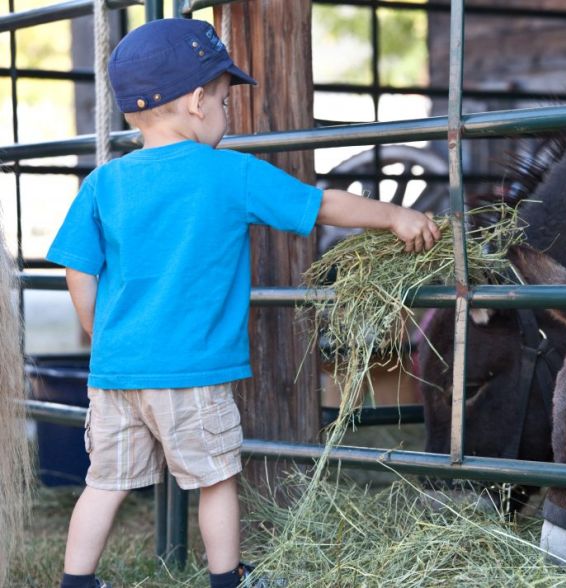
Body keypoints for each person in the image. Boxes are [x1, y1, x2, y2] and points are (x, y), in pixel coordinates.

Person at [47, 18, 441, 588]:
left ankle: (76, 581)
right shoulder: (229, 174)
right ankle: (228, 579)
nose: (229, 116)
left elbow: (78, 269)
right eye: (227, 101)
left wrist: (102, 334)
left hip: (116, 374)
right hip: (193, 374)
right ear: (197, 101)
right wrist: (395, 215)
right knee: (216, 480)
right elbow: (319, 205)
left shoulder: (103, 184)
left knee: (105, 482)